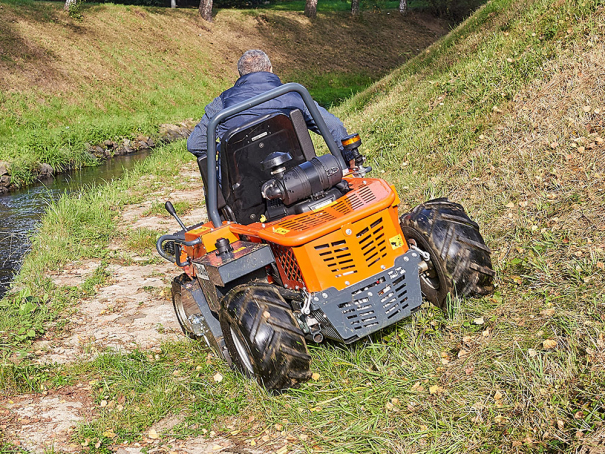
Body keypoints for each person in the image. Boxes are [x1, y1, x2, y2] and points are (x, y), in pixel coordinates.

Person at [187, 49, 355, 166]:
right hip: (298, 178)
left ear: (241, 76)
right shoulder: (294, 94)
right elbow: (333, 126)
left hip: (243, 193)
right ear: (270, 69)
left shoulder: (221, 103)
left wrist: (223, 149)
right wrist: (348, 159)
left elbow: (195, 144)